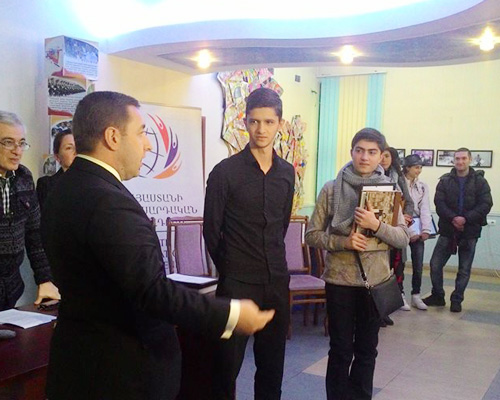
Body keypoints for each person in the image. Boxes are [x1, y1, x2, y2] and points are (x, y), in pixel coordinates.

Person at [41, 91, 275, 400]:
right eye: (141, 133)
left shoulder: (64, 188)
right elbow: (151, 292)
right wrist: (231, 314)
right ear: (113, 137)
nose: (148, 145)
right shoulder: (108, 201)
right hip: (120, 372)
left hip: (79, 362)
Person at [203, 87, 295, 400]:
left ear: (279, 123)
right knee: (225, 368)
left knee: (272, 367)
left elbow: (281, 225)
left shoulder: (287, 173)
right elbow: (211, 231)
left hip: (276, 281)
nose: (261, 129)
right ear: (245, 122)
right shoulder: (225, 172)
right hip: (237, 283)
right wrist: (231, 269)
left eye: (269, 122)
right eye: (255, 121)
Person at [305, 128, 409, 400]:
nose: (364, 157)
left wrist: (376, 225)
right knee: (340, 349)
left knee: (367, 350)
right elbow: (312, 235)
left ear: (381, 156)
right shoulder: (331, 188)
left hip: (374, 282)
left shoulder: (390, 190)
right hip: (339, 280)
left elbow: (402, 237)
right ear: (351, 151)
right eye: (359, 150)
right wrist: (344, 242)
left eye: (372, 152)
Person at [0, 111, 60, 311]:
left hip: (10, 289)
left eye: (22, 143)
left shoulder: (24, 178)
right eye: (8, 142)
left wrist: (45, 279)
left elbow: (35, 234)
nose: (17, 151)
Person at [423, 147, 492, 313]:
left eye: (463, 158)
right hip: (448, 229)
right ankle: (438, 296)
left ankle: (457, 299)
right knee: (435, 264)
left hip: (470, 231)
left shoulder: (480, 181)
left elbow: (486, 204)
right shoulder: (445, 181)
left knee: (464, 269)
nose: (460, 162)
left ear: (470, 160)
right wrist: (454, 218)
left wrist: (466, 218)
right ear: (453, 161)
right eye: (457, 159)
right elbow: (439, 203)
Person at [380, 147, 414, 319]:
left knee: (398, 264)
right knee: (382, 268)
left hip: (396, 228)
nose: (384, 159)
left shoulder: (398, 177)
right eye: (382, 156)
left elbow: (409, 201)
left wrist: (406, 216)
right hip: (379, 228)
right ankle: (381, 308)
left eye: (387, 156)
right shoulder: (373, 176)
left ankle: (398, 296)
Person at [402, 154, 432, 310]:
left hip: (418, 226)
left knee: (418, 264)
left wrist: (426, 229)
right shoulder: (399, 184)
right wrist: (409, 231)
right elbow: (399, 210)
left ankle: (416, 294)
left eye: (420, 167)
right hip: (401, 226)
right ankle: (399, 295)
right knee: (399, 264)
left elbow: (425, 208)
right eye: (416, 167)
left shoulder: (422, 186)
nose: (418, 170)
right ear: (407, 167)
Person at [36, 130, 76, 211]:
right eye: (69, 148)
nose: (76, 152)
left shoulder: (93, 182)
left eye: (79, 146)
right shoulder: (46, 185)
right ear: (57, 156)